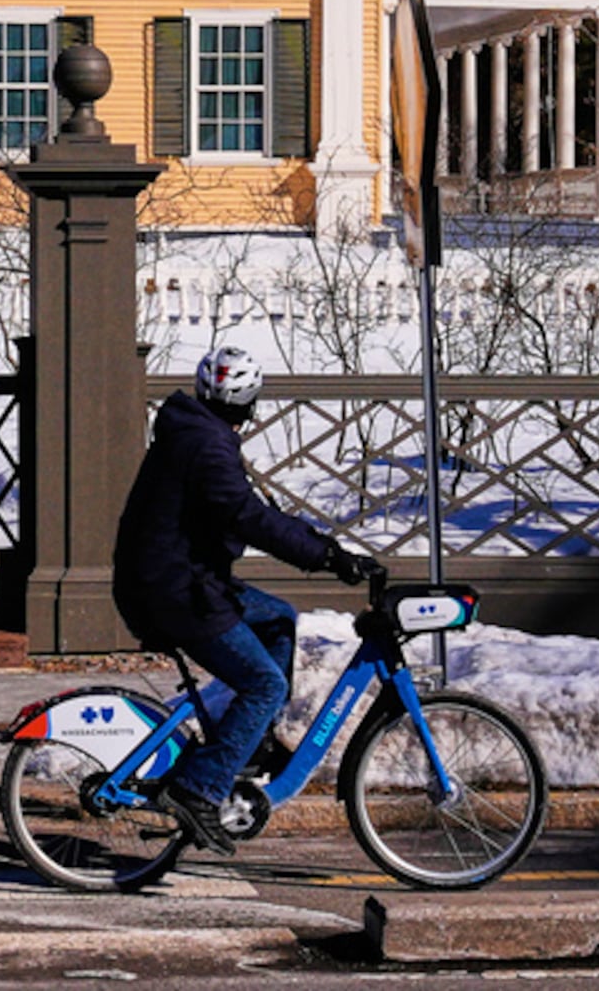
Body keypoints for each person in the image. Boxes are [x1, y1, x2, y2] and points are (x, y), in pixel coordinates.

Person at [111, 344, 383, 854]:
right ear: (249, 404)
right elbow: (250, 517)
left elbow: (246, 511)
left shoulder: (193, 431)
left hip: (179, 578)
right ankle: (199, 787)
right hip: (178, 592)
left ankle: (249, 742)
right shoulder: (208, 447)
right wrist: (328, 556)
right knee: (263, 683)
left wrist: (322, 549)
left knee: (279, 618)